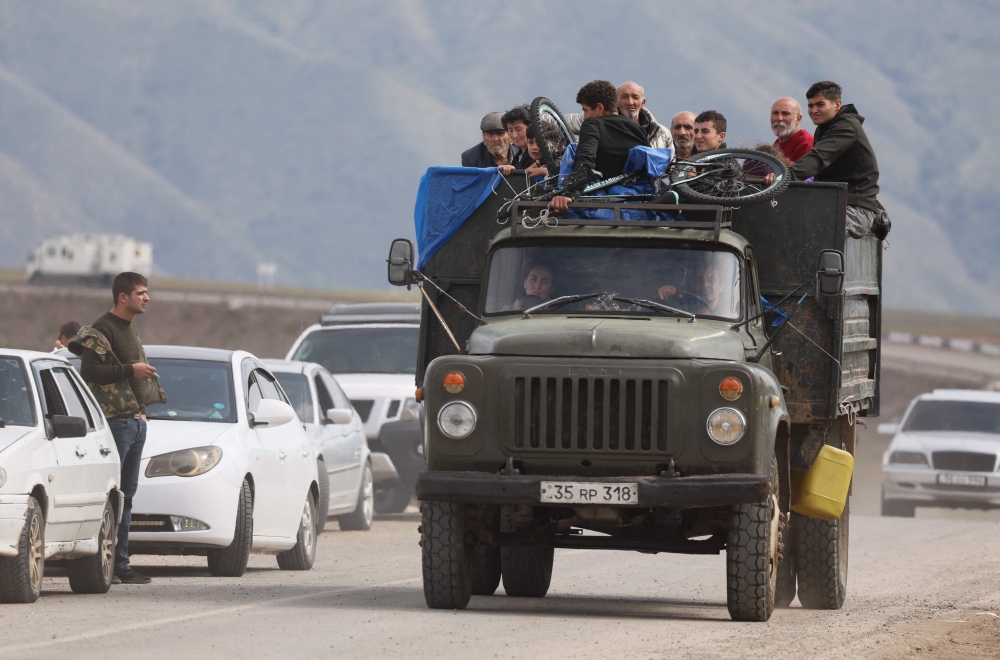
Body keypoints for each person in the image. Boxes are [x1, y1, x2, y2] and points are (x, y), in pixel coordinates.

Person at [70, 272, 165, 586]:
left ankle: (121, 565)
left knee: (127, 497)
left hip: (135, 423)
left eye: (146, 292)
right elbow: (92, 370)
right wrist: (131, 369)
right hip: (116, 424)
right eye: (140, 292)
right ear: (123, 297)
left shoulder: (129, 327)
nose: (146, 297)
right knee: (112, 496)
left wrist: (141, 411)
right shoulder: (103, 328)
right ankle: (101, 564)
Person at [790, 81, 880, 238]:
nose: (814, 110)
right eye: (810, 106)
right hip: (832, 203)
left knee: (813, 228)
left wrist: (784, 177)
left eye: (820, 104)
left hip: (856, 209)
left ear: (837, 104)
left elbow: (818, 157)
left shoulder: (847, 126)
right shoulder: (824, 128)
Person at [549, 80, 649, 212]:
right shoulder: (638, 128)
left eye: (586, 110)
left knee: (573, 148)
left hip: (602, 200)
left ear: (600, 108)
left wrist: (569, 193)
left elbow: (586, 159)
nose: (584, 117)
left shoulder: (592, 124)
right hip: (636, 200)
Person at [657, 258, 726, 316]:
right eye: (699, 279)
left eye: (711, 280)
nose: (705, 284)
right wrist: (665, 297)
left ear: (721, 286)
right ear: (693, 283)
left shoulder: (728, 313)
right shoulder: (680, 308)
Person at [616, 82, 672, 149]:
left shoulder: (662, 134)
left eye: (635, 97)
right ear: (616, 102)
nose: (630, 102)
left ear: (642, 103)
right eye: (624, 97)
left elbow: (671, 159)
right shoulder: (606, 130)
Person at [770, 97, 813, 163]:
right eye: (775, 113)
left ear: (798, 119)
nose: (779, 118)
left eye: (785, 113)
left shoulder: (805, 142)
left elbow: (796, 172)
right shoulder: (777, 143)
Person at [502, 105, 535, 169]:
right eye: (510, 130)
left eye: (518, 129)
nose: (514, 135)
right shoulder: (518, 156)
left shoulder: (538, 155)